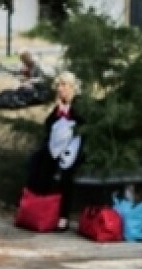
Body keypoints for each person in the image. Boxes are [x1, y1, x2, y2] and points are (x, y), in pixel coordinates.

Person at [26, 72, 84, 231]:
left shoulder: (79, 103)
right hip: (56, 148)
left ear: (72, 87)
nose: (60, 88)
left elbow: (83, 122)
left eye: (63, 85)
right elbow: (48, 124)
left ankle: (63, 216)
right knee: (38, 162)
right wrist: (59, 110)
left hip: (73, 149)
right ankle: (40, 207)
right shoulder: (59, 105)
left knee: (66, 175)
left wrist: (67, 112)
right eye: (59, 85)